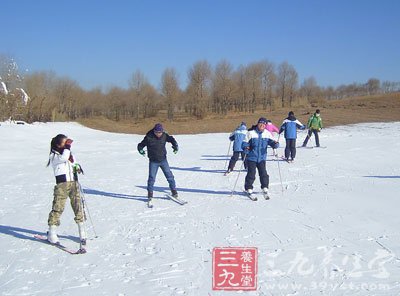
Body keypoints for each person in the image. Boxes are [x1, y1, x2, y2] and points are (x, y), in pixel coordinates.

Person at [46, 134, 86, 244]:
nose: (67, 145)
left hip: (73, 183)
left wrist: (77, 166)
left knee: (78, 206)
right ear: (58, 144)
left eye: (67, 143)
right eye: (64, 143)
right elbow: (63, 158)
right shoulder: (54, 156)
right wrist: (68, 147)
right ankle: (52, 233)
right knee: (58, 208)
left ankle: (82, 232)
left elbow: (73, 162)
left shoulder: (68, 154)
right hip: (62, 185)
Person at [137, 123, 179, 204]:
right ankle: (150, 195)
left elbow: (172, 140)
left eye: (160, 132)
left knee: (169, 176)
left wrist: (175, 146)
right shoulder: (149, 137)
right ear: (154, 131)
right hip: (153, 161)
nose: (159, 134)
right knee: (151, 178)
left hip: (163, 160)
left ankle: (174, 191)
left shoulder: (164, 135)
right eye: (157, 132)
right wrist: (140, 150)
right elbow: (140, 145)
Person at [242, 117, 279, 199]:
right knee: (251, 174)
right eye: (260, 123)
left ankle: (265, 187)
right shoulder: (251, 133)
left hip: (262, 158)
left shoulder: (267, 133)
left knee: (263, 173)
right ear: (258, 124)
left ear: (265, 125)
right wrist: (246, 147)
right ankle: (249, 188)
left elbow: (271, 142)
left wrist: (275, 144)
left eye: (264, 124)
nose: (262, 125)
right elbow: (244, 143)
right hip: (252, 157)